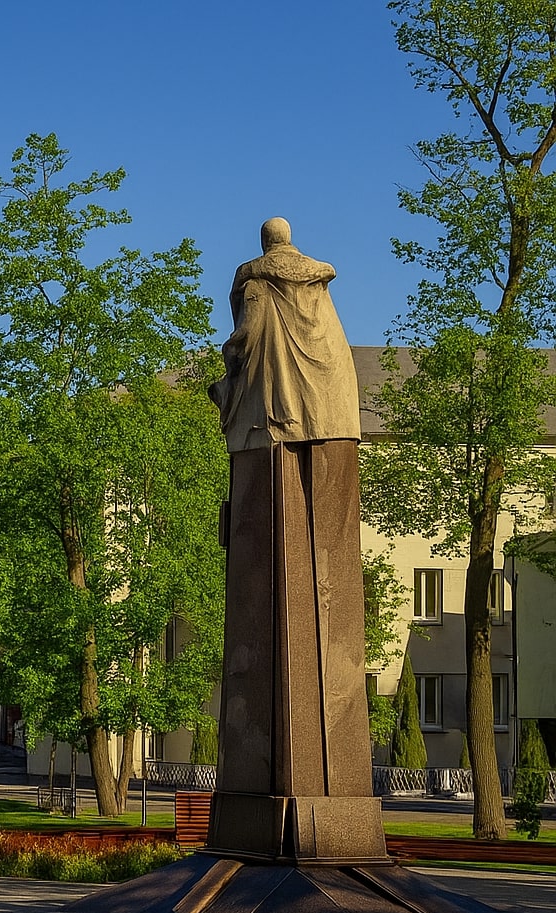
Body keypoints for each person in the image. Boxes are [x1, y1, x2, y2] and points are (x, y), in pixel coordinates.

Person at [204, 218, 383, 862]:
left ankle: (268, 805)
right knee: (318, 567)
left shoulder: (255, 283)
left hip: (271, 417)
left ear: (261, 245)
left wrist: (223, 379)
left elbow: (249, 338)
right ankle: (335, 804)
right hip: (332, 411)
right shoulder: (322, 293)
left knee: (273, 563)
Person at [209, 217, 360, 452]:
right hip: (331, 383)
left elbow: (246, 334)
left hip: (276, 404)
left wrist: (231, 360)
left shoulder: (256, 283)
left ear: (264, 242)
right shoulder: (319, 284)